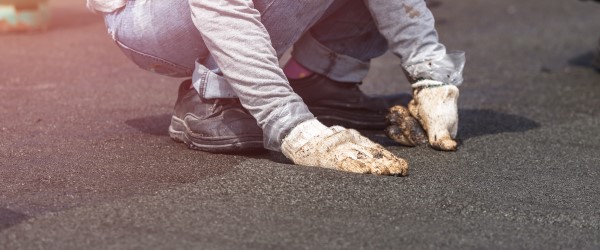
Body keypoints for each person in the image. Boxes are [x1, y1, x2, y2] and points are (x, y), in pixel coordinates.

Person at [87, 0, 465, 176]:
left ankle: (323, 79)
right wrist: (289, 124)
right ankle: (215, 93)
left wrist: (431, 73)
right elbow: (220, 7)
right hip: (146, 18)